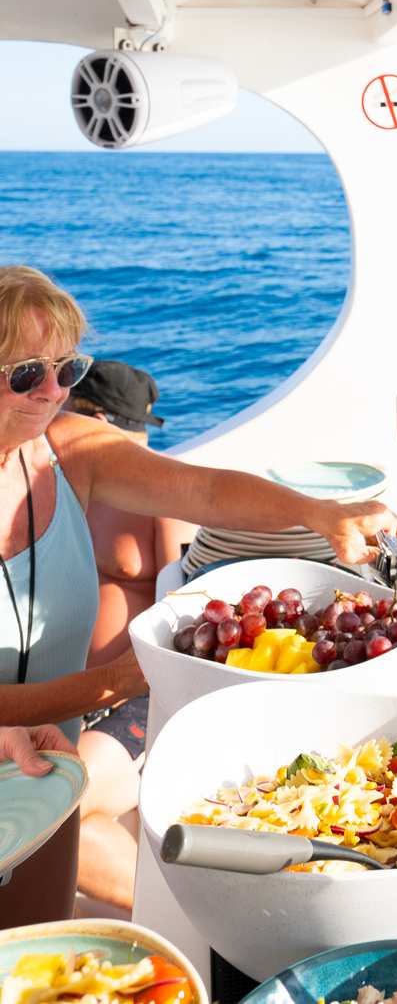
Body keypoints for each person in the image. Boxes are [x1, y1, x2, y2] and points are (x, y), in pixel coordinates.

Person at [0, 264, 395, 928]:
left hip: (49, 780)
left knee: (33, 954)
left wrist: (318, 514)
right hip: (41, 760)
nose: (53, 393)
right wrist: (112, 683)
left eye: (67, 370)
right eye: (26, 374)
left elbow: (205, 491)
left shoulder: (66, 450)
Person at [65, 358, 189, 911]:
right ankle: (173, 925)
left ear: (92, 420)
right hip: (65, 697)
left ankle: (184, 927)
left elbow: (184, 615)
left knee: (56, 812)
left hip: (132, 700)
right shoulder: (52, 482)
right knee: (47, 822)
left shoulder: (161, 494)